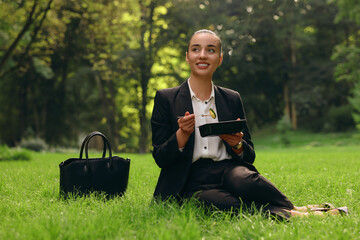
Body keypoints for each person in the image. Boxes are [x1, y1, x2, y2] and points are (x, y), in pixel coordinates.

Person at [150, 29, 347, 219]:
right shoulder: (166, 98)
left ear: (219, 59)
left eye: (210, 50)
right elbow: (160, 157)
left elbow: (249, 155)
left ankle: (294, 207)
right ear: (187, 56)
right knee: (225, 204)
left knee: (247, 181)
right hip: (191, 180)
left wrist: (236, 144)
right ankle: (298, 215)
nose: (202, 55)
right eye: (196, 49)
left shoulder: (231, 98)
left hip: (228, 169)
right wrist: (182, 134)